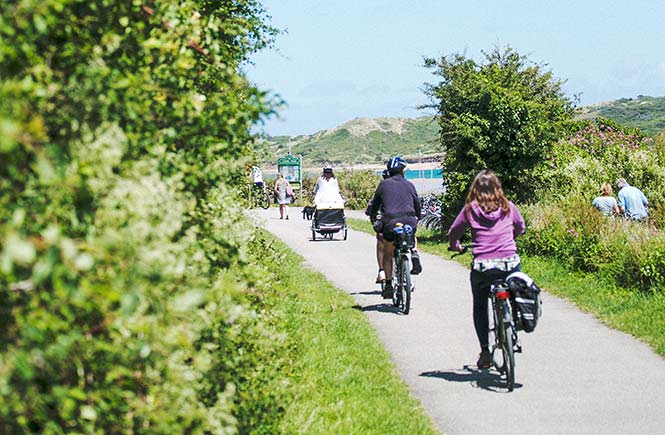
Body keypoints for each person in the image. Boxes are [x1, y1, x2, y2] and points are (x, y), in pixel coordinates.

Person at [448, 169, 525, 369]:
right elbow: (521, 227)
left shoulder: (470, 209)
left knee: (480, 305)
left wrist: (455, 245)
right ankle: (514, 322)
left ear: (475, 189)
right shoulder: (508, 207)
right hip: (509, 263)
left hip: (484, 268)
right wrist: (510, 238)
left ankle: (484, 351)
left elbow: (454, 232)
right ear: (497, 187)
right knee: (515, 290)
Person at [368, 156, 422, 299]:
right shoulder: (410, 185)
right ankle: (414, 253)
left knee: (388, 252)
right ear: (403, 171)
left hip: (390, 224)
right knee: (411, 233)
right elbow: (417, 206)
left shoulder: (383, 185)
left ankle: (388, 284)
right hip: (409, 221)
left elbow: (374, 207)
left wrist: (373, 217)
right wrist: (418, 217)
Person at [366, 169, 391, 284]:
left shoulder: (382, 188)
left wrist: (372, 216)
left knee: (381, 244)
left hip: (387, 223)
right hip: (405, 222)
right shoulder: (405, 185)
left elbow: (372, 206)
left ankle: (382, 271)